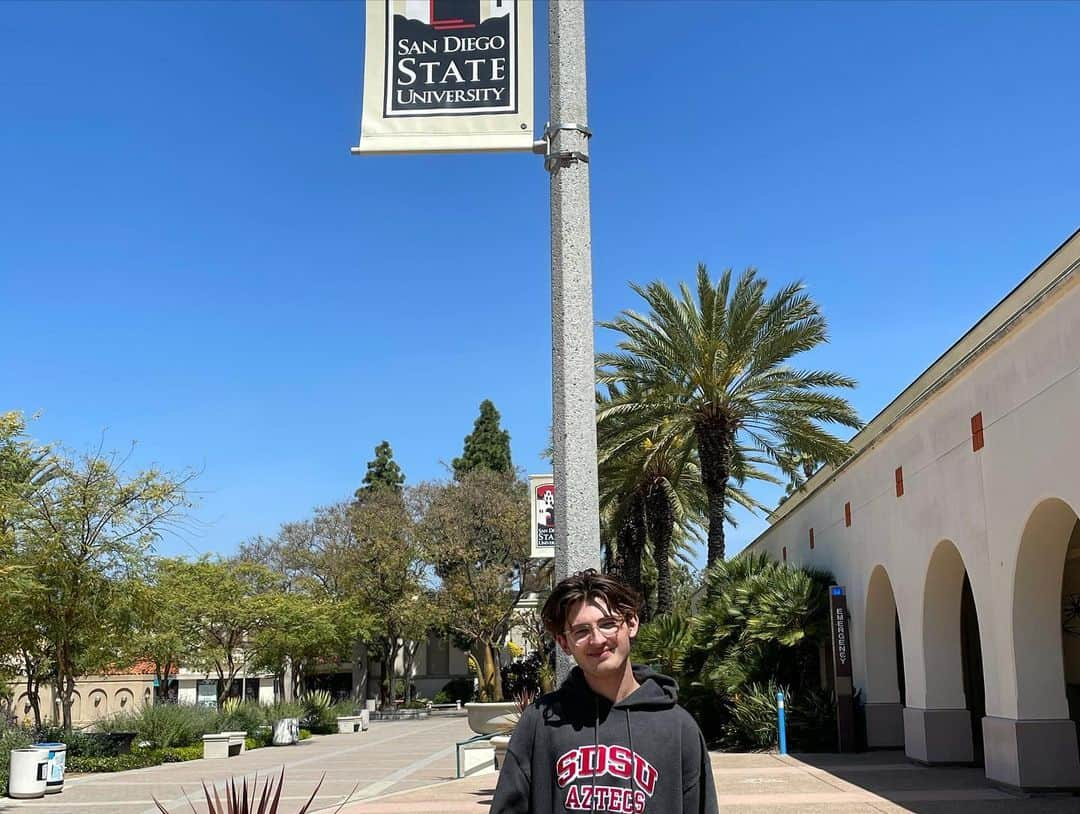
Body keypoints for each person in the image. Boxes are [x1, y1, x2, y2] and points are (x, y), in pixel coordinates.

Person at [490, 569, 718, 813]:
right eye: (581, 631)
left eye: (608, 624)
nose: (597, 640)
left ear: (631, 624)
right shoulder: (539, 724)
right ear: (564, 643)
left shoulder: (679, 727)